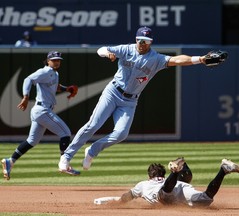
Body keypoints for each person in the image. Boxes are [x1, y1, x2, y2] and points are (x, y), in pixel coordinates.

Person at [58, 26, 223, 174]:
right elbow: (101, 49)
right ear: (136, 39)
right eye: (140, 40)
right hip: (113, 92)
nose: (142, 43)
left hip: (130, 101)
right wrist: (107, 53)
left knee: (121, 134)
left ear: (150, 42)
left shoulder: (156, 59)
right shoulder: (126, 49)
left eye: (146, 41)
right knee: (93, 125)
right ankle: (66, 157)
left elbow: (177, 60)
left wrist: (200, 59)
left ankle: (92, 150)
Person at [1, 51, 79, 180]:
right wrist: (26, 97)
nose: (56, 61)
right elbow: (28, 79)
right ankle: (64, 164)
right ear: (48, 61)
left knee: (32, 141)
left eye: (58, 59)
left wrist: (67, 89)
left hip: (40, 110)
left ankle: (10, 161)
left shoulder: (54, 73)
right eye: (53, 59)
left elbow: (55, 86)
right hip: (42, 110)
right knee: (65, 133)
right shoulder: (45, 71)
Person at [119, 157, 239, 206]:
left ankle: (175, 171)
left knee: (164, 194)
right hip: (180, 186)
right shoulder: (168, 181)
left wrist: (118, 202)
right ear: (162, 174)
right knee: (206, 198)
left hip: (166, 190)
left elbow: (127, 196)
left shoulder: (143, 184)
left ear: (149, 176)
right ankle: (223, 170)